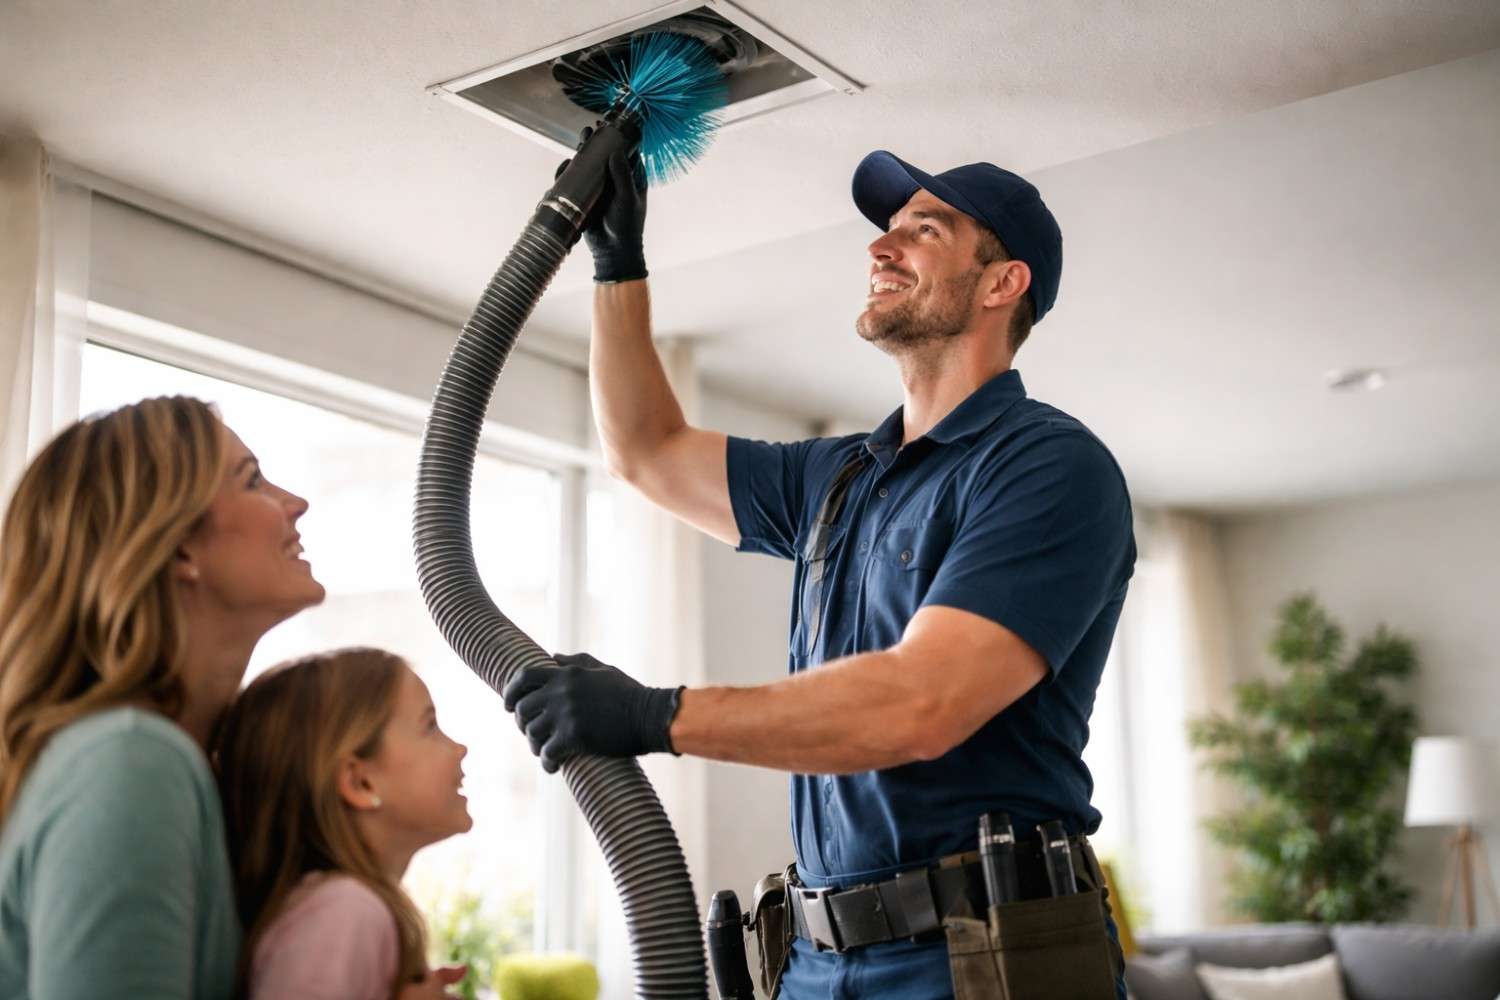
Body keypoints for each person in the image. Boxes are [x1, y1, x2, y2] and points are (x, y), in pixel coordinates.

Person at [505, 147, 1136, 998]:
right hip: (814, 959)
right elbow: (648, 452)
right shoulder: (839, 476)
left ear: (1001, 283)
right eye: (887, 230)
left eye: (924, 230)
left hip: (979, 959)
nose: (881, 248)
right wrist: (618, 264)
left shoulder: (1048, 467)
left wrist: (657, 716)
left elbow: (924, 702)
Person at [0, 396, 324, 999]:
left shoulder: (154, 759)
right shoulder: (129, 761)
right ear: (179, 548)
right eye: (252, 480)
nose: (295, 504)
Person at [215, 646, 471, 1000]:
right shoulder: (344, 913)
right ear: (360, 783)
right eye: (429, 726)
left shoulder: (342, 910)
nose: (459, 749)